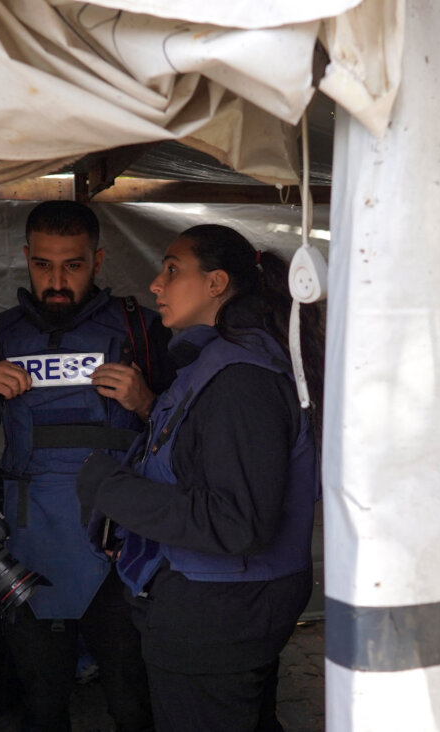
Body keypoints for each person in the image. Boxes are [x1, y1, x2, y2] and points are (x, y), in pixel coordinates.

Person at [76, 224, 324, 732]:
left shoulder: (241, 377)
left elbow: (236, 523)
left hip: (221, 613)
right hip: (229, 602)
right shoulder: (217, 359)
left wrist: (109, 486)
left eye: (171, 270)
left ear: (216, 283)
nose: (155, 284)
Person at [0, 200, 167, 732]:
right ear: (25, 258)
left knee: (135, 705)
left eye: (74, 264)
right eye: (43, 264)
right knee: (41, 706)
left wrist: (147, 403)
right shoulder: (2, 338)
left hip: (121, 549)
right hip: (31, 549)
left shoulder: (142, 329)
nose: (57, 280)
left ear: (99, 259)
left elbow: (188, 444)